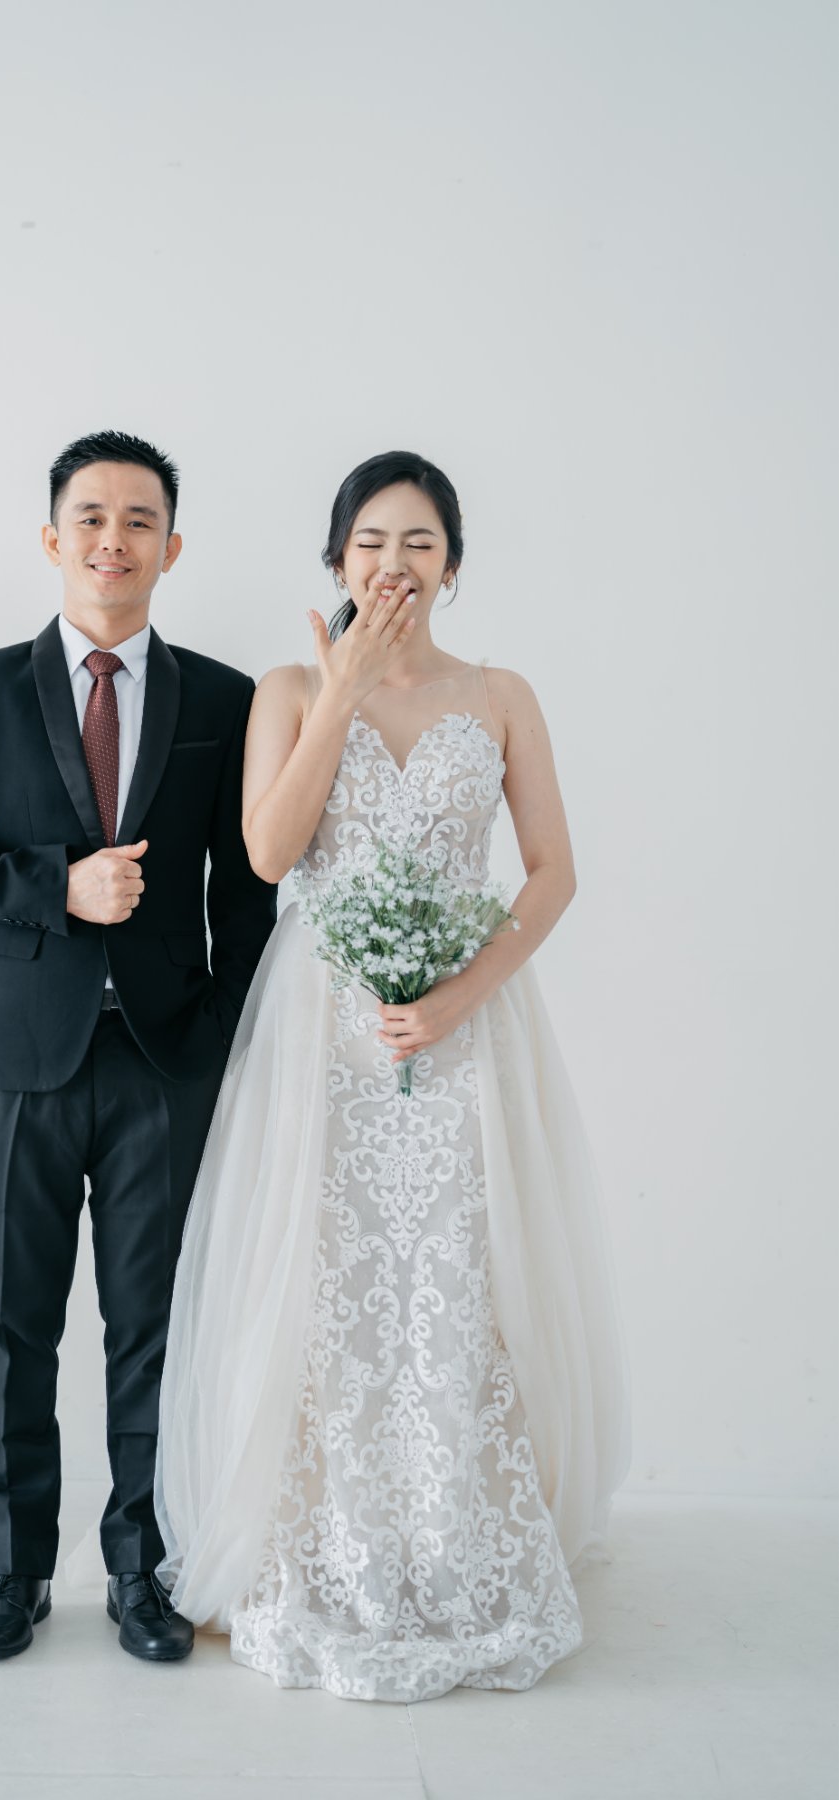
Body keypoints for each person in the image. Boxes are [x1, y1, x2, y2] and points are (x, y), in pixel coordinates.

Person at [154, 450, 630, 1701]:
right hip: (322, 1034)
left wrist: (461, 996)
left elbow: (551, 873)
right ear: (336, 559)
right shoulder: (287, 686)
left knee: (458, 1276)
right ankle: (334, 1546)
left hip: (465, 1035)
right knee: (326, 1280)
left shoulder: (502, 695)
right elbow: (268, 854)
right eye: (371, 541)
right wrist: (342, 692)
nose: (393, 563)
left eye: (419, 542)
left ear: (453, 564)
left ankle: (453, 1543)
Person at [0, 430, 277, 1663]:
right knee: (10, 1325)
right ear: (53, 538)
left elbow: (250, 889)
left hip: (166, 1062)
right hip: (18, 1056)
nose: (115, 540)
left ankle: (142, 1571)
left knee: (156, 1327)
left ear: (173, 546)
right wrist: (54, 885)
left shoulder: (223, 698)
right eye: (92, 518)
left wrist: (220, 1029)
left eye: (139, 520)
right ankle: (11, 1576)